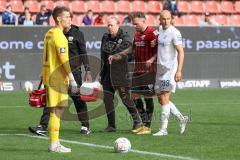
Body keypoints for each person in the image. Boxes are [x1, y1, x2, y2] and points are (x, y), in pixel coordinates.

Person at [29, 19, 92, 135]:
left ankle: (85, 125)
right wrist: (45, 71)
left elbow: (83, 53)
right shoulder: (56, 34)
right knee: (51, 99)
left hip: (73, 72)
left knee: (77, 99)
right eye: (66, 18)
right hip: (57, 72)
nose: (68, 21)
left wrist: (88, 70)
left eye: (69, 18)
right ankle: (43, 126)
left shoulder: (78, 34)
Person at [41, 6, 78, 153]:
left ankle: (54, 142)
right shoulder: (60, 36)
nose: (70, 19)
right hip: (57, 78)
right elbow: (63, 59)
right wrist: (72, 78)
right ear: (58, 19)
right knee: (58, 110)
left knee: (55, 110)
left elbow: (48, 56)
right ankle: (54, 144)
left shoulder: (49, 33)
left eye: (70, 17)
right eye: (67, 17)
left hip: (49, 75)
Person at [148, 10, 188, 136]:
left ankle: (163, 129)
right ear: (159, 19)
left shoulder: (175, 33)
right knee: (161, 99)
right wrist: (153, 57)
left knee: (165, 97)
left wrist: (179, 71)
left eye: (168, 19)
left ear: (171, 19)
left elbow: (181, 52)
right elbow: (159, 47)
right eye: (163, 19)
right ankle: (181, 118)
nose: (165, 21)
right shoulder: (160, 29)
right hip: (160, 70)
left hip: (170, 71)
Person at [100, 16, 142, 132]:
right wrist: (102, 75)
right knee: (108, 100)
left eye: (111, 25)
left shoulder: (125, 37)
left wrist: (117, 57)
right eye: (108, 25)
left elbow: (130, 55)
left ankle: (137, 121)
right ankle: (111, 126)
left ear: (118, 25)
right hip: (108, 74)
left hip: (121, 74)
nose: (109, 27)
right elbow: (103, 57)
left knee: (125, 99)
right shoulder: (105, 37)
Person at [130, 12, 158, 135]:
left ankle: (147, 126)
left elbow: (161, 49)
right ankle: (143, 122)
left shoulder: (153, 32)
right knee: (135, 96)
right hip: (137, 71)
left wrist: (151, 59)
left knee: (147, 97)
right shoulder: (136, 35)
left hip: (149, 71)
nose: (134, 26)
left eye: (136, 24)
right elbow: (132, 49)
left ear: (143, 21)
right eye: (133, 24)